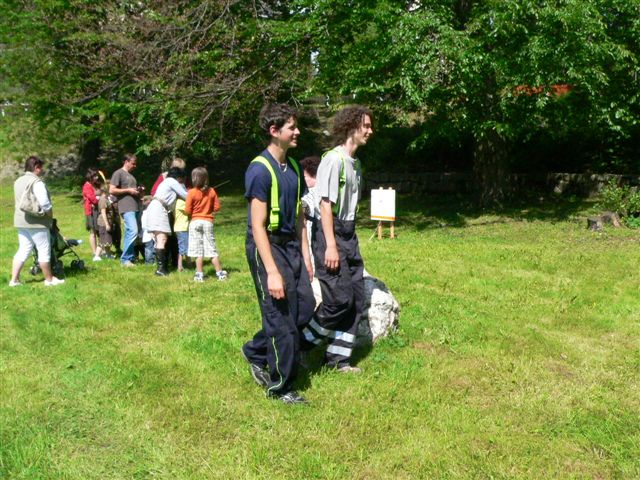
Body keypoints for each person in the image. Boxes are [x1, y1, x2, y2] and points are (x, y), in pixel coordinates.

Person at [241, 103, 315, 405]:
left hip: (291, 246)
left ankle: (256, 351)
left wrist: (306, 256)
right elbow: (257, 226)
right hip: (267, 246)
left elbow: (299, 216)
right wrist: (271, 271)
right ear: (274, 131)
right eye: (291, 127)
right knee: (280, 316)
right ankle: (280, 387)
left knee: (305, 307)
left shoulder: (294, 167)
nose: (297, 132)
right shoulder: (259, 170)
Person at [301, 105, 374, 374]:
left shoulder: (356, 164)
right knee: (338, 301)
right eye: (366, 125)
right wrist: (331, 246)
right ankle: (299, 345)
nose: (370, 131)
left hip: (349, 233)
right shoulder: (333, 160)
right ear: (351, 126)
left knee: (356, 298)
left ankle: (337, 361)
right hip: (330, 234)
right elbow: (325, 206)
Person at [10, 156, 65, 287]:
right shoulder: (37, 182)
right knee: (44, 250)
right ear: (36, 168)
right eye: (40, 167)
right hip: (37, 222)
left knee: (23, 250)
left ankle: (14, 280)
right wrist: (50, 217)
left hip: (21, 221)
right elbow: (45, 204)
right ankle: (49, 280)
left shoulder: (18, 181)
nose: (42, 170)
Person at [184, 166, 227, 282]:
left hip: (195, 222)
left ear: (194, 178)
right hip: (208, 222)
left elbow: (187, 210)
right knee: (211, 249)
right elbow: (217, 207)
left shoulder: (191, 192)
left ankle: (199, 275)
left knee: (198, 251)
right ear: (206, 178)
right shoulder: (211, 191)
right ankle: (220, 274)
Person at [145, 167, 188, 276]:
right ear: (179, 177)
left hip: (157, 207)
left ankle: (162, 268)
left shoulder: (166, 182)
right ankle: (161, 269)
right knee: (161, 239)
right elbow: (185, 195)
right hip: (159, 208)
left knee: (160, 239)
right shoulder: (171, 181)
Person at [110, 153, 142, 267]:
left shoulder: (131, 176)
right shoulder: (118, 173)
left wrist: (138, 192)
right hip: (126, 207)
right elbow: (112, 190)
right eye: (133, 163)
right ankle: (125, 259)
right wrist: (128, 190)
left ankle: (130, 257)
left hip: (135, 206)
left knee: (133, 233)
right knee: (132, 231)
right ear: (126, 162)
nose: (135, 166)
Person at [299, 156, 321, 272]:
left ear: (315, 177)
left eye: (304, 177)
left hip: (314, 234)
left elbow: (306, 207)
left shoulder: (314, 191)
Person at [82, 168, 101, 260]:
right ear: (90, 177)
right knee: (93, 232)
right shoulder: (87, 186)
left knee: (99, 231)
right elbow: (93, 199)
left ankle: (100, 251)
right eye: (94, 176)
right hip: (91, 211)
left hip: (97, 210)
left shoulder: (96, 184)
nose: (96, 177)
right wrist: (99, 198)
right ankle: (94, 252)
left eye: (97, 176)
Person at [96, 184, 116, 259]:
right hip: (103, 223)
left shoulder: (106, 198)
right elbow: (103, 212)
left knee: (107, 240)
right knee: (103, 239)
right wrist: (107, 224)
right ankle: (96, 256)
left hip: (108, 222)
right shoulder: (103, 200)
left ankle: (108, 255)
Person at [173, 197, 190, 272]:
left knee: (186, 246)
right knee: (182, 248)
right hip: (182, 228)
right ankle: (180, 267)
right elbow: (189, 210)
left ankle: (189, 264)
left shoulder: (177, 202)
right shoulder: (180, 202)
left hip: (181, 228)